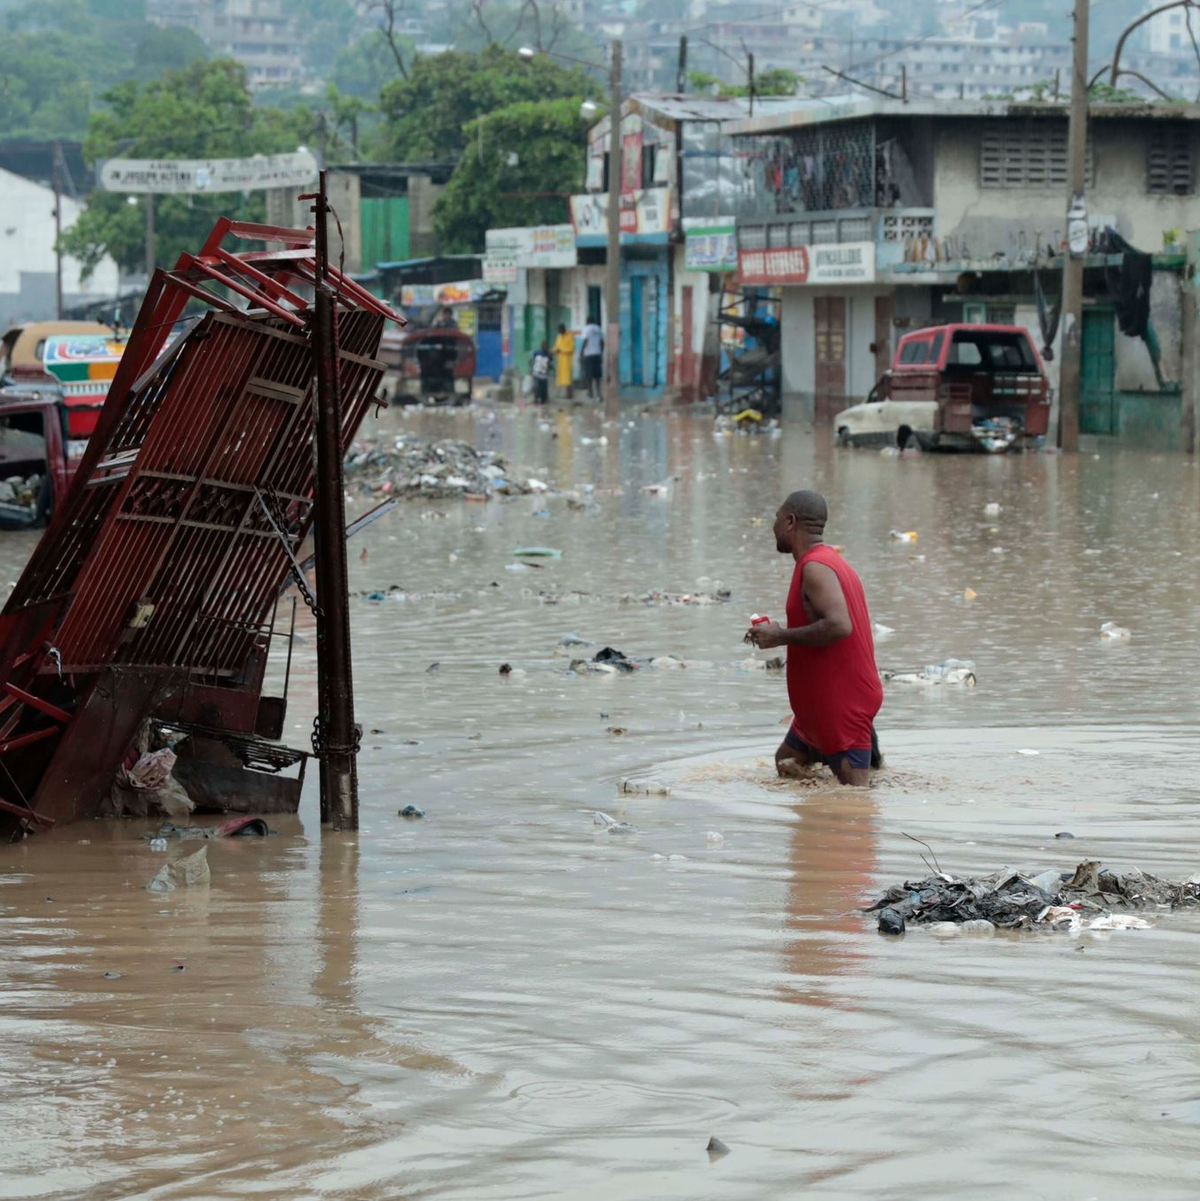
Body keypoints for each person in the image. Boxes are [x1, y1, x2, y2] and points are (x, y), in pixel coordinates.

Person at [746, 490, 883, 787]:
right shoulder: (826, 561)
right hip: (818, 707)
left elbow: (839, 625)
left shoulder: (815, 567)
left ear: (790, 522)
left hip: (840, 703)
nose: (773, 526)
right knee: (787, 763)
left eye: (776, 518)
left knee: (854, 803)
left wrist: (780, 635)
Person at [579, 318, 604, 400]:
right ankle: (598, 394)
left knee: (588, 375)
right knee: (597, 376)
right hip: (597, 354)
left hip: (588, 354)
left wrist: (581, 352)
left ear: (587, 322)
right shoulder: (598, 329)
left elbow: (585, 340)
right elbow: (602, 342)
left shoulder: (586, 328)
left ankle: (590, 394)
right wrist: (600, 352)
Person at [553, 324, 575, 400]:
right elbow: (556, 346)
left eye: (561, 331)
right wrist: (553, 351)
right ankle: (562, 394)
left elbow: (571, 348)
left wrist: (562, 350)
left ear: (564, 329)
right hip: (560, 360)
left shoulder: (569, 335)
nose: (560, 333)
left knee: (568, 379)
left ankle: (569, 395)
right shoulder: (559, 336)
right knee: (560, 379)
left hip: (567, 360)